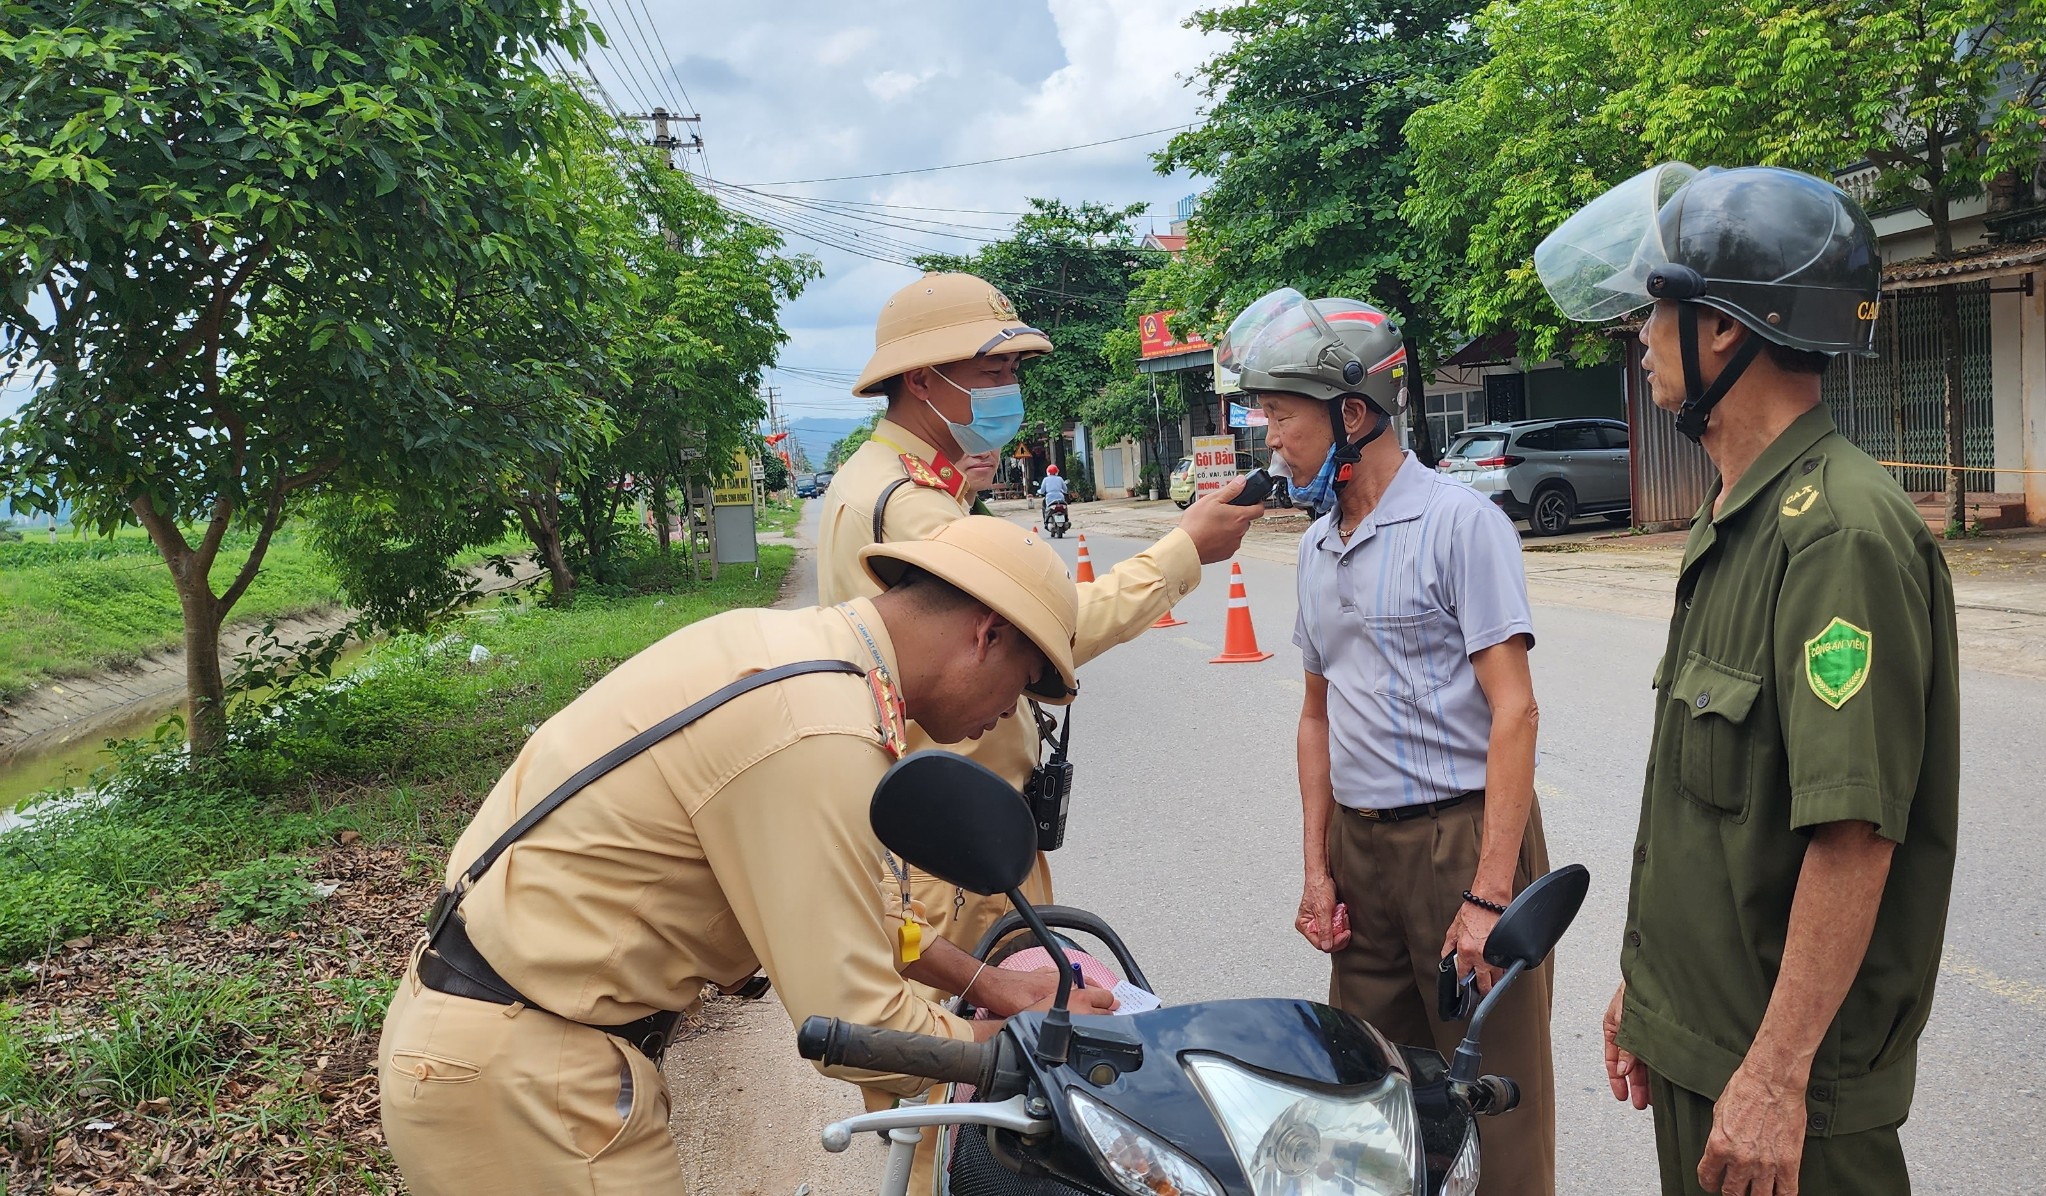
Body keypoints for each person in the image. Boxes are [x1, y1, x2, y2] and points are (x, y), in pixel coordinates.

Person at [377, 517, 1121, 1196]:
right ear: (985, 635)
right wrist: (1032, 1046)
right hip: (528, 1083)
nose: (1008, 715)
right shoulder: (817, 730)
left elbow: (870, 913)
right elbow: (856, 1029)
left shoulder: (799, 656)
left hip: (497, 1045)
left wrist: (992, 985)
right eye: (1022, 688)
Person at [1535, 164, 1961, 1196]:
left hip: (1784, 1094)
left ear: (1724, 329)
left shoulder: (1840, 534)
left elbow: (1852, 832)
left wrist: (1773, 1072)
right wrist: (1652, 992)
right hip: (1708, 1047)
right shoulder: (1739, 514)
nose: (1641, 334)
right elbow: (1707, 811)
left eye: (1658, 306)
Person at [816, 272, 1264, 959]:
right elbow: (1044, 629)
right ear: (924, 382)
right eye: (992, 371)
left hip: (963, 828)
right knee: (983, 1048)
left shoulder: (901, 482)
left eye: (1011, 370)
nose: (1008, 388)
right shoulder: (905, 504)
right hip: (952, 856)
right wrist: (1184, 551)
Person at [1220, 289, 1557, 1196]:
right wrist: (1317, 868)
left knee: (1495, 1101)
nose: (1270, 437)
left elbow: (1515, 713)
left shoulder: (1461, 525)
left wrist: (1489, 896)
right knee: (1369, 1100)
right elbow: (1316, 716)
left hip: (1463, 843)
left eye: (1283, 416)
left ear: (1354, 414)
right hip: (1360, 854)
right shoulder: (1318, 547)